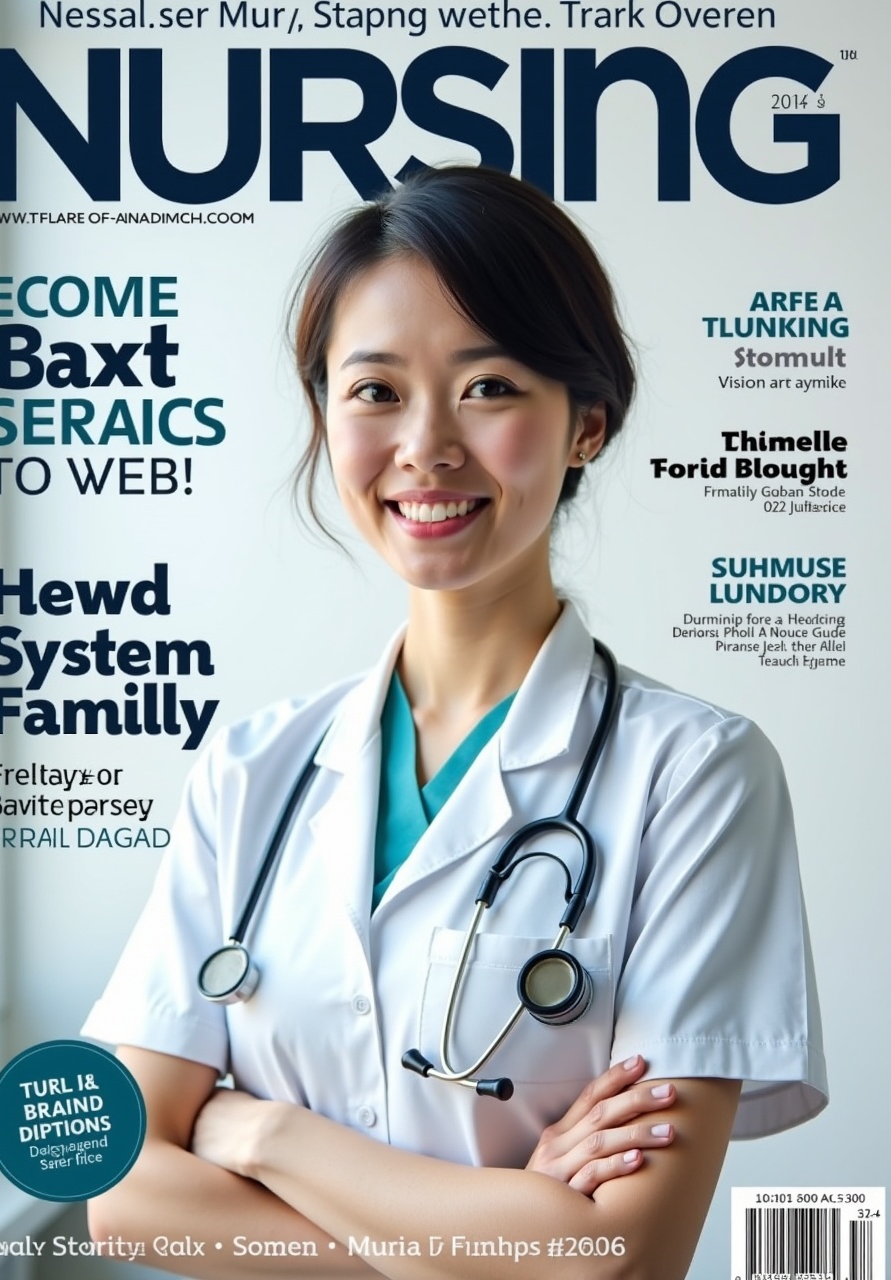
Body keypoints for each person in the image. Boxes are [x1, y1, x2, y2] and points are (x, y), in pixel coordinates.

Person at [83, 166, 827, 1278]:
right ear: (326, 414)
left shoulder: (699, 775)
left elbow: (617, 1255)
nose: (425, 446)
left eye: (488, 386)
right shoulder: (254, 767)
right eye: (374, 390)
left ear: (587, 423)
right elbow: (117, 1194)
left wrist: (254, 1128)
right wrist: (509, 1233)